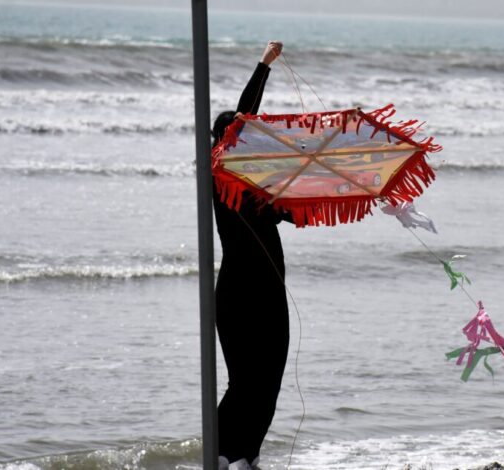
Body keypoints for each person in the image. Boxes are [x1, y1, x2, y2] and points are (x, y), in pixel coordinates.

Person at [210, 40, 291, 470]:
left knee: (269, 382)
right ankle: (219, 457)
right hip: (239, 293)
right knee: (243, 384)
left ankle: (247, 456)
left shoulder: (260, 188)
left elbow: (293, 212)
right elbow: (243, 118)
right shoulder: (220, 176)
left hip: (271, 294)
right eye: (239, 137)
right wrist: (263, 65)